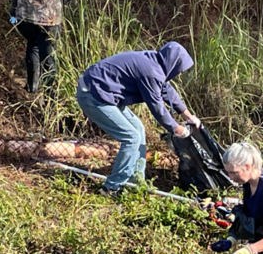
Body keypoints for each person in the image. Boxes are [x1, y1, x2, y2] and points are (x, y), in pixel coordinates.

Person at [77, 42, 201, 196]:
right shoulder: (151, 72)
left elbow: (167, 91)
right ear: (173, 64)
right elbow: (157, 107)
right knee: (131, 137)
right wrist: (176, 128)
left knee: (138, 129)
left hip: (106, 95)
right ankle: (112, 187)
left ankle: (136, 181)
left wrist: (188, 116)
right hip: (93, 95)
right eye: (179, 69)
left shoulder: (155, 63)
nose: (179, 73)